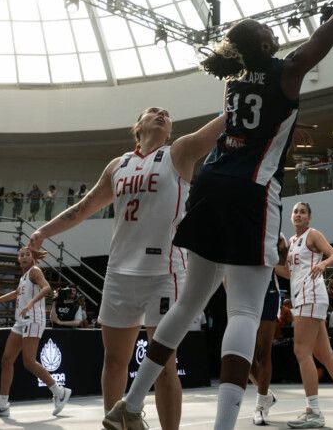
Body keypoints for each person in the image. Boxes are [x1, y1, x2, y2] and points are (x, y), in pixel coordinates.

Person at [106, 0, 333, 430]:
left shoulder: (233, 82)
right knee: (245, 311)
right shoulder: (287, 70)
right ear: (267, 43)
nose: (275, 32)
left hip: (210, 185)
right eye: (269, 30)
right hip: (251, 191)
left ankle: (130, 405)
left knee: (188, 304)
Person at [29, 106, 224, 430]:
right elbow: (84, 207)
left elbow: (221, 125)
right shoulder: (118, 165)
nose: (161, 113)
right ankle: (118, 425)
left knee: (165, 365)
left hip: (165, 271)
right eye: (153, 111)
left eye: (166, 114)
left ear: (170, 130)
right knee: (114, 360)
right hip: (120, 272)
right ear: (138, 126)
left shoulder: (178, 152)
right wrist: (42, 232)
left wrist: (245, 86)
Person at [279, 202, 333, 427]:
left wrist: (323, 264)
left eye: (303, 212)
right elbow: (289, 273)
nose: (298, 214)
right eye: (295, 211)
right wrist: (267, 265)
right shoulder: (292, 241)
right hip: (304, 297)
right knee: (325, 355)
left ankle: (314, 412)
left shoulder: (313, 235)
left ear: (309, 217)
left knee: (301, 351)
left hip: (310, 295)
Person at [0, 247, 71, 418]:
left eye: (27, 255)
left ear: (32, 258)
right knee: (6, 360)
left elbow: (46, 288)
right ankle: (3, 404)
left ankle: (60, 392)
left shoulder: (35, 271)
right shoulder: (23, 277)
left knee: (29, 361)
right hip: (21, 320)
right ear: (18, 259)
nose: (23, 257)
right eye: (21, 255)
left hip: (33, 318)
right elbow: (16, 293)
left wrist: (30, 303)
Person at [250, 269, 285, 426]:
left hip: (268, 290)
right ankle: (267, 396)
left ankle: (261, 405)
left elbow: (286, 270)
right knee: (244, 357)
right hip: (243, 292)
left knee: (264, 351)